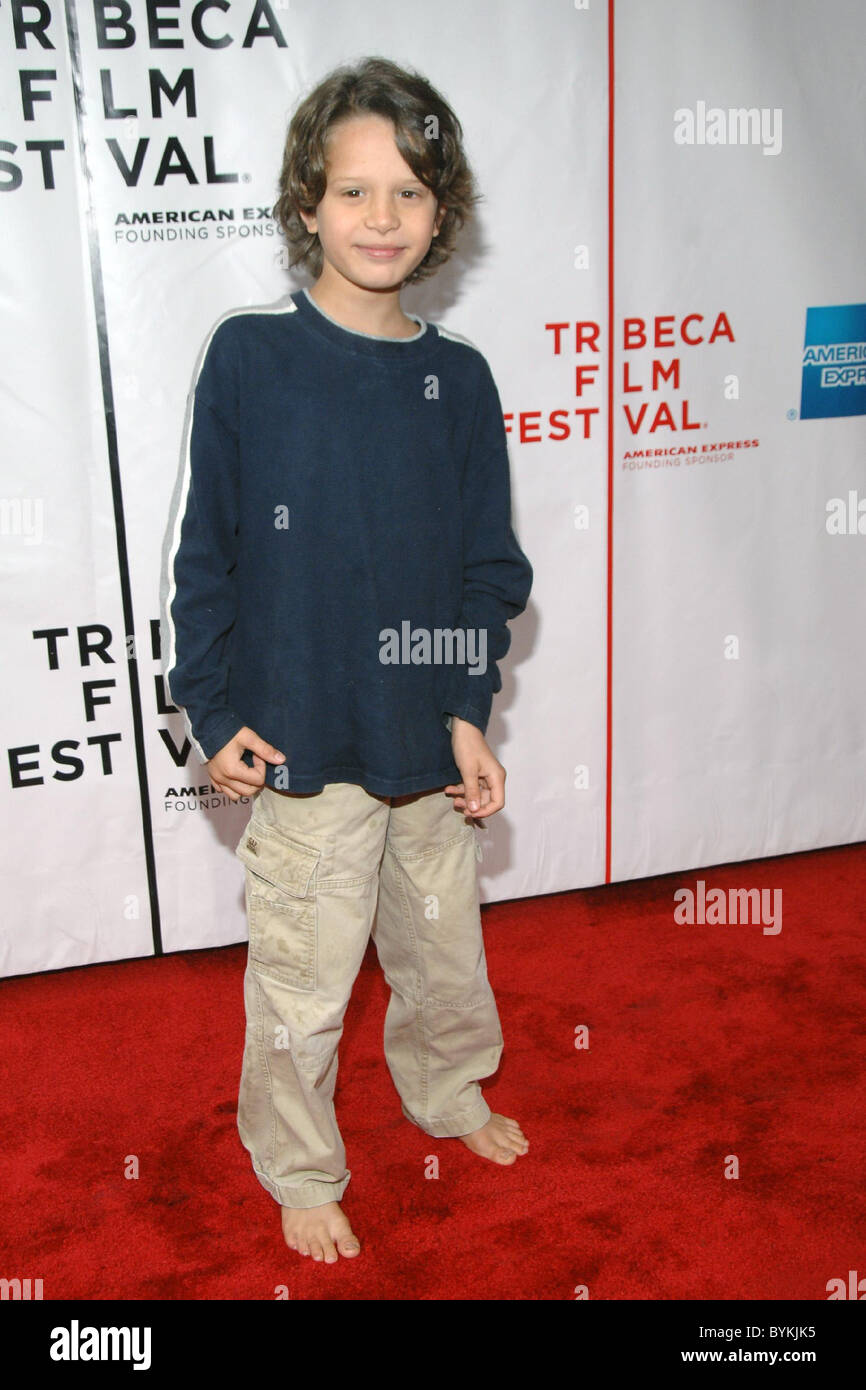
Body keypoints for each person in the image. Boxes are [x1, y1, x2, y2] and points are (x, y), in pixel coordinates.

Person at [160, 55, 533, 1266]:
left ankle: (443, 1090)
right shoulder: (249, 361)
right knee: (302, 990)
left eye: (410, 192)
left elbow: (489, 572)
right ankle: (300, 1163)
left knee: (442, 958)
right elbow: (204, 559)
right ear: (306, 205)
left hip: (427, 747)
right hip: (302, 748)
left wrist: (470, 711)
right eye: (355, 191)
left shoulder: (460, 380)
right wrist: (210, 711)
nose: (382, 218)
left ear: (443, 212)